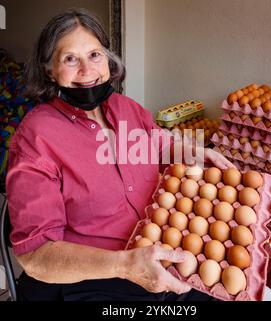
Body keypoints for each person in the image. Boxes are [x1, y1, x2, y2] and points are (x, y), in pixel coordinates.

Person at [6, 8, 234, 301]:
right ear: (49, 69)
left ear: (108, 58)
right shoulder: (35, 138)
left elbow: (155, 140)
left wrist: (191, 151)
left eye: (95, 55)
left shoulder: (125, 108)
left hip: (153, 255)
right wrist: (124, 265)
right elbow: (37, 255)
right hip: (87, 278)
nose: (87, 71)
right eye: (70, 59)